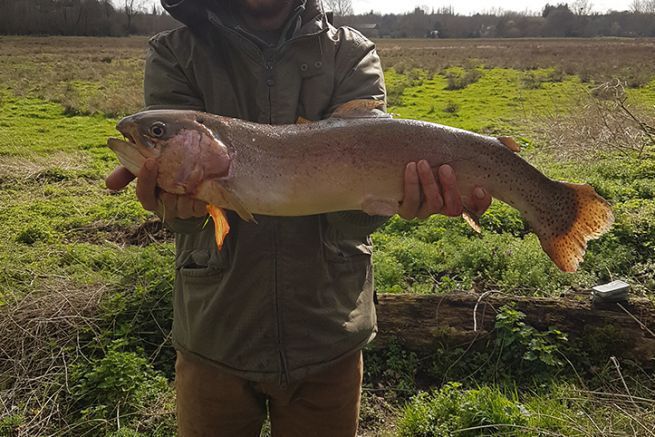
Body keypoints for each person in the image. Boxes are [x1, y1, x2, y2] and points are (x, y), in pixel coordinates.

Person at [105, 1, 491, 435]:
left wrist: (400, 200)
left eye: (157, 133)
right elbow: (186, 215)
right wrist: (178, 206)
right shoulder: (177, 51)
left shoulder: (351, 53)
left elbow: (354, 218)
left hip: (327, 333)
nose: (147, 138)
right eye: (154, 135)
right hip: (215, 333)